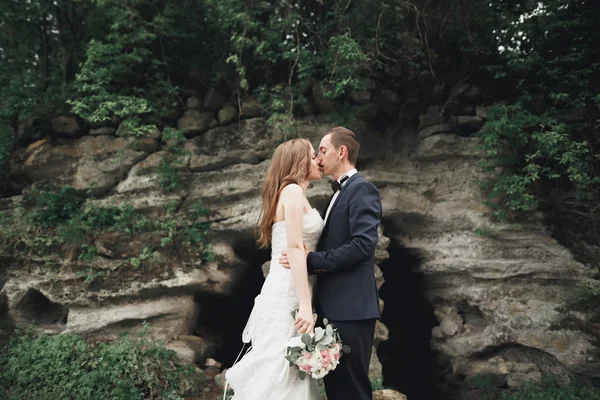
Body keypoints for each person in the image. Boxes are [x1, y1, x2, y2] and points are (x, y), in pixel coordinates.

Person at [280, 127, 382, 400]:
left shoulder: (362, 189)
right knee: (337, 390)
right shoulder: (338, 193)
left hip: (352, 308)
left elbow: (362, 246)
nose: (318, 157)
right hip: (332, 307)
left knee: (353, 388)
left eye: (322, 150)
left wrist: (310, 260)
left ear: (342, 151)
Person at [225, 138, 324, 400]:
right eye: (313, 156)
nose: (318, 161)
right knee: (279, 365)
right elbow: (293, 249)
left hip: (293, 287)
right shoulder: (292, 191)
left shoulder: (296, 193)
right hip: (288, 290)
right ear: (300, 161)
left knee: (290, 366)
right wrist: (305, 306)